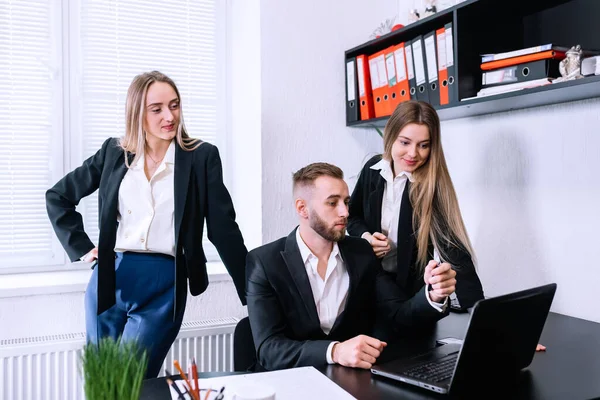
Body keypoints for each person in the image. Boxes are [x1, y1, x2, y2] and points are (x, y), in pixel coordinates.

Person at [46, 71, 247, 377]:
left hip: (164, 281)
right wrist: (85, 249)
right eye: (157, 109)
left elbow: (223, 229)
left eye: (175, 105)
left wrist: (254, 294)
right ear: (137, 113)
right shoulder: (113, 152)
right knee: (102, 384)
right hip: (109, 279)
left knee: (130, 382)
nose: (170, 116)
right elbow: (58, 196)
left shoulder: (201, 156)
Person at [246, 163, 455, 371]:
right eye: (332, 203)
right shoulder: (265, 262)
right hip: (290, 383)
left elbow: (397, 314)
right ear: (303, 208)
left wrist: (434, 294)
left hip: (349, 380)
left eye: (346, 202)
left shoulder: (361, 252)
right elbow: (269, 350)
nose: (345, 212)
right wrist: (334, 351)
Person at [348, 101, 484, 326]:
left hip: (408, 302)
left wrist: (485, 322)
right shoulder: (372, 170)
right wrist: (366, 238)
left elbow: (454, 251)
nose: (413, 153)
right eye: (405, 142)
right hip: (369, 293)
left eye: (423, 145)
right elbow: (353, 218)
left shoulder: (431, 186)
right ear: (390, 136)